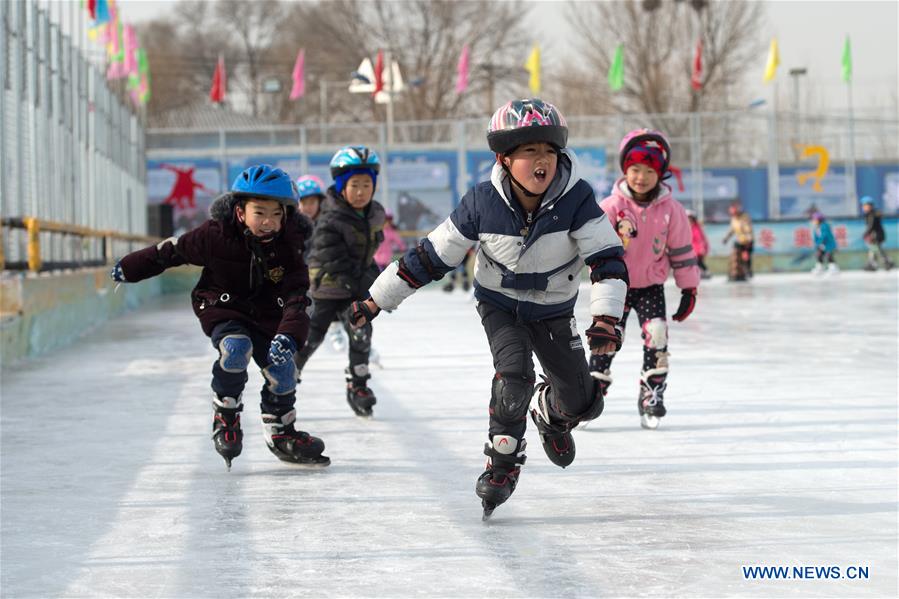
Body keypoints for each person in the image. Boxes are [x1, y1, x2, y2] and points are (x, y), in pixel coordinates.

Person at [344, 98, 628, 518]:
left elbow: (607, 259)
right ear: (505, 158)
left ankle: (549, 412)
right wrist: (375, 299)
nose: (541, 162)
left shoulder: (578, 200)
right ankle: (502, 461)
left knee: (586, 402)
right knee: (514, 376)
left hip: (553, 309)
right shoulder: (482, 202)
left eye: (549, 151)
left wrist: (605, 319)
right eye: (529, 152)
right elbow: (430, 256)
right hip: (500, 305)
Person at [110, 165, 330, 469]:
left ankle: (281, 432)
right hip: (222, 304)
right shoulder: (215, 234)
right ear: (240, 211)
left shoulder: (290, 243)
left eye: (277, 214)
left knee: (284, 371)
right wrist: (130, 267)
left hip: (269, 313)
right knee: (236, 348)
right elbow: (170, 251)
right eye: (260, 213)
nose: (269, 222)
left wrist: (289, 335)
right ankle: (226, 414)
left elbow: (298, 295)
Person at [592, 129, 700, 430]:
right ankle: (591, 394)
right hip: (615, 286)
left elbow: (682, 251)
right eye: (635, 169)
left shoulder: (672, 211)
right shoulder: (610, 208)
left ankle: (652, 394)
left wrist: (688, 287)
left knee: (658, 335)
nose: (641, 176)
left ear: (660, 173)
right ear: (625, 169)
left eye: (649, 170)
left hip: (651, 285)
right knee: (607, 339)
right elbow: (590, 246)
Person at [293, 146, 386, 418]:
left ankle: (358, 385)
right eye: (354, 185)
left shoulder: (373, 215)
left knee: (361, 332)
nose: (361, 191)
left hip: (354, 287)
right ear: (342, 187)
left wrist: (381, 289)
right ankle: (286, 378)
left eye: (366, 184)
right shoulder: (330, 218)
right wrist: (366, 287)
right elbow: (332, 259)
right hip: (326, 288)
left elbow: (367, 258)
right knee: (310, 336)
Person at [722, 201, 754, 281]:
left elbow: (748, 229)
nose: (733, 214)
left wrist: (749, 239)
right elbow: (732, 230)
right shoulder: (733, 219)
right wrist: (726, 238)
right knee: (735, 255)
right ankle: (735, 272)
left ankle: (747, 272)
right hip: (740, 241)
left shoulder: (744, 217)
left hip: (747, 240)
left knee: (746, 257)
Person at [861, 197, 894, 271]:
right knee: (873, 249)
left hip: (877, 235)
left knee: (877, 249)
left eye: (865, 205)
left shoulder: (873, 214)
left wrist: (866, 233)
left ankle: (887, 262)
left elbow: (871, 226)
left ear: (869, 206)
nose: (863, 207)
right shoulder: (869, 214)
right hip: (874, 234)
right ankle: (873, 263)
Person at [686, 209, 712, 279]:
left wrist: (702, 248)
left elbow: (700, 239)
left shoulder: (696, 227)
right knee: (695, 262)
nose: (689, 220)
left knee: (698, 262)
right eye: (688, 218)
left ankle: (706, 271)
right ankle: (699, 272)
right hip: (692, 249)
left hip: (698, 249)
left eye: (690, 218)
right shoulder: (688, 227)